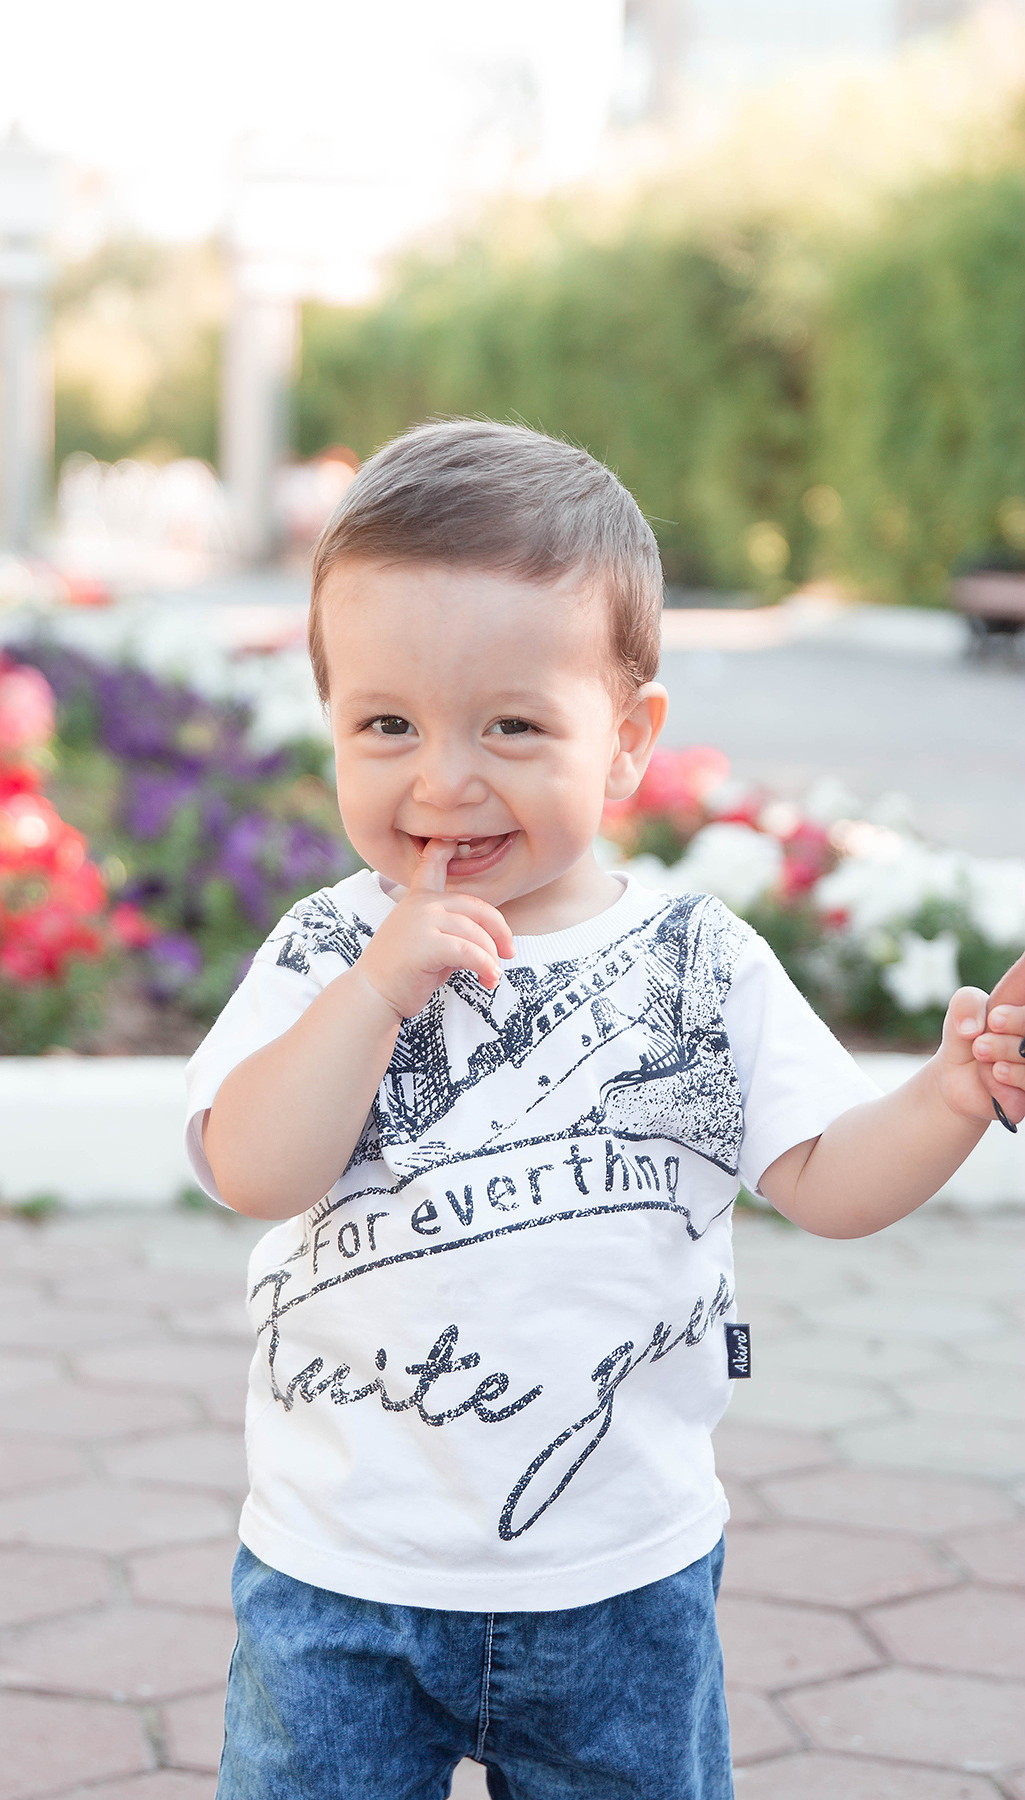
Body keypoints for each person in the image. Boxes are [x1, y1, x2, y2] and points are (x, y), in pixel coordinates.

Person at [185, 421, 1025, 1800]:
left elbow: (827, 1180)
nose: (443, 779)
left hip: (618, 1582)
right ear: (330, 723)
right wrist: (377, 992)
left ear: (628, 741)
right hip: (341, 1577)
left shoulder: (699, 963)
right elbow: (252, 1168)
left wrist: (946, 1096)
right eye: (388, 724)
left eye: (512, 726)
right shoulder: (325, 952)